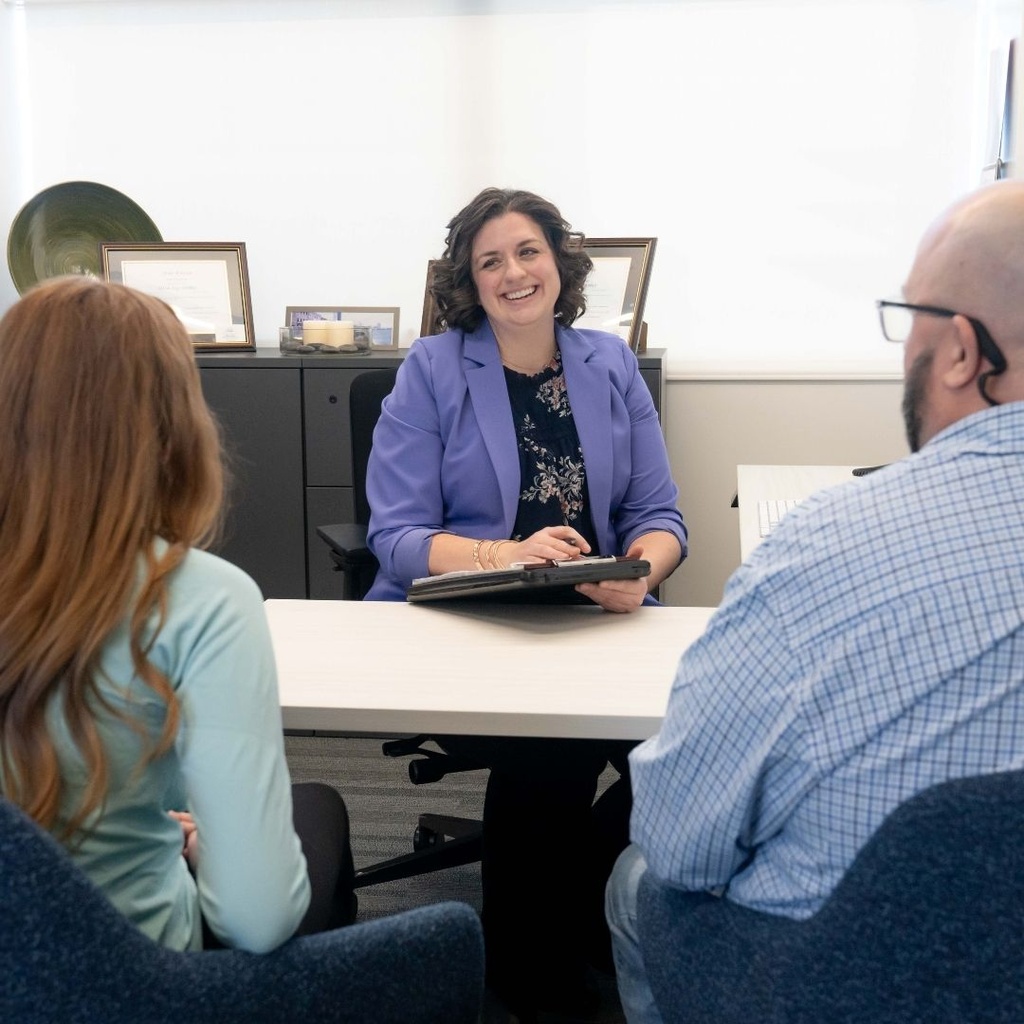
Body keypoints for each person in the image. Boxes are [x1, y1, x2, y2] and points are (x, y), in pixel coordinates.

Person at [605, 178, 1024, 1022]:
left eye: (910, 316)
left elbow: (681, 842)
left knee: (634, 881)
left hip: (830, 981)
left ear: (959, 351)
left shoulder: (825, 547)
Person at [364, 186, 687, 1018]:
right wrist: (504, 555)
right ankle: (530, 976)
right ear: (471, 283)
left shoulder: (608, 364)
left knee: (692, 748)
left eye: (528, 251)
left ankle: (576, 912)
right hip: (471, 622)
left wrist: (642, 572)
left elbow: (660, 517)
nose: (513, 272)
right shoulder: (432, 370)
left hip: (594, 619)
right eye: (491, 261)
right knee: (552, 748)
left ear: (559, 263)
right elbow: (396, 536)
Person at [0, 276, 356, 954]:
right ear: (169, 430)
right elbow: (257, 920)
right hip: (133, 984)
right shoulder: (203, 599)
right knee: (318, 814)